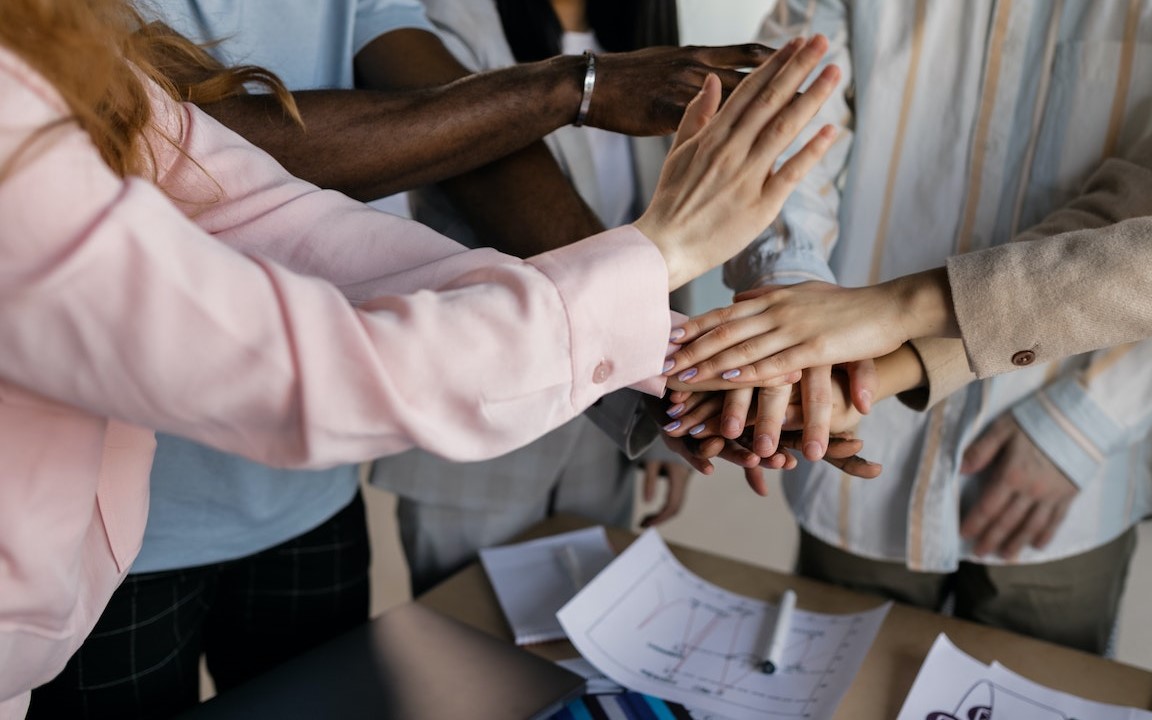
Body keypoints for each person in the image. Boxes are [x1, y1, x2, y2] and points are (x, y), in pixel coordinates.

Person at [0, 0, 843, 712]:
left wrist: (671, 356)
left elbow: (282, 216)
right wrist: (661, 248)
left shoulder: (54, 48)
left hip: (244, 515)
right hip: (121, 554)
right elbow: (313, 375)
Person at [668, 1, 1152, 694]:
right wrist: (797, 314)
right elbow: (792, 106)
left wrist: (1081, 423)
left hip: (1073, 458)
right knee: (833, 694)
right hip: (866, 419)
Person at [371, 0, 691, 595]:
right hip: (480, 422)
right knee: (470, 666)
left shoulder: (650, 36)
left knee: (583, 659)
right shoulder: (452, 19)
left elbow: (666, 247)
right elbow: (493, 183)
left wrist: (672, 426)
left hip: (609, 429)